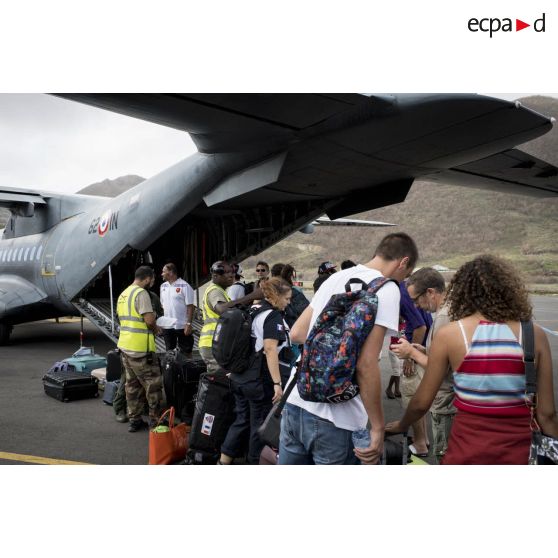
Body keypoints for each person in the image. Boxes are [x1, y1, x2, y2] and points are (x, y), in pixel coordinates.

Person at [386, 255, 558, 464]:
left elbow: (421, 403)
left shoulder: (451, 334)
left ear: (463, 291)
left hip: (466, 450)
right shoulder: (533, 334)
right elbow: (547, 414)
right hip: (519, 453)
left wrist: (402, 425)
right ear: (510, 289)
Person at [279, 232, 419, 465]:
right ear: (403, 262)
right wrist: (377, 427)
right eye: (407, 274)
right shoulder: (386, 288)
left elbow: (297, 334)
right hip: (337, 418)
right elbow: (366, 364)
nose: (403, 281)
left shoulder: (337, 277)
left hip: (296, 400)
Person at [219, 278, 292, 464]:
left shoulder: (252, 309)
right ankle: (254, 462)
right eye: (287, 298)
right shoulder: (272, 316)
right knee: (259, 425)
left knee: (241, 420)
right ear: (277, 296)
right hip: (257, 381)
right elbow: (270, 349)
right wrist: (277, 383)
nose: (289, 302)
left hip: (239, 377)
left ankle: (223, 461)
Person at [390, 267, 456, 462]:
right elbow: (450, 357)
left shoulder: (444, 317)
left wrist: (411, 353)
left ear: (430, 292)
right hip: (451, 401)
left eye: (416, 299)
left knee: (446, 456)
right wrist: (426, 351)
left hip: (447, 403)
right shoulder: (448, 312)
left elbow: (441, 368)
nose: (416, 306)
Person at [116, 266, 163, 432]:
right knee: (153, 385)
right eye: (153, 280)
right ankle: (156, 421)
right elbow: (149, 320)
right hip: (141, 350)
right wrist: (158, 328)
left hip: (126, 347)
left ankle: (134, 420)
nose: (152, 283)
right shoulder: (141, 293)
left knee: (132, 386)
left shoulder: (124, 294)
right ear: (148, 278)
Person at [386, 281, 430, 456]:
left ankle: (420, 444)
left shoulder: (403, 294)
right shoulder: (406, 290)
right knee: (419, 396)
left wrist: (410, 357)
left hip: (416, 351)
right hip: (421, 350)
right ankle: (423, 438)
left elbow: (421, 326)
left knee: (412, 398)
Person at [199, 261, 262, 373]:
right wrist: (252, 296)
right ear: (215, 275)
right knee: (221, 382)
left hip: (216, 342)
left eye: (232, 272)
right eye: (227, 272)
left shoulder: (221, 291)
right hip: (214, 343)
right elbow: (222, 309)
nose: (231, 275)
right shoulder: (214, 291)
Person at [160, 263, 195, 356]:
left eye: (164, 272)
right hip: (168, 326)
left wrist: (188, 324)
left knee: (186, 352)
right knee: (169, 352)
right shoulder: (163, 286)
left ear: (171, 272)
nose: (162, 274)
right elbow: (163, 305)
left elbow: (190, 306)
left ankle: (188, 370)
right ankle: (173, 370)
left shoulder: (184, 286)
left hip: (182, 325)